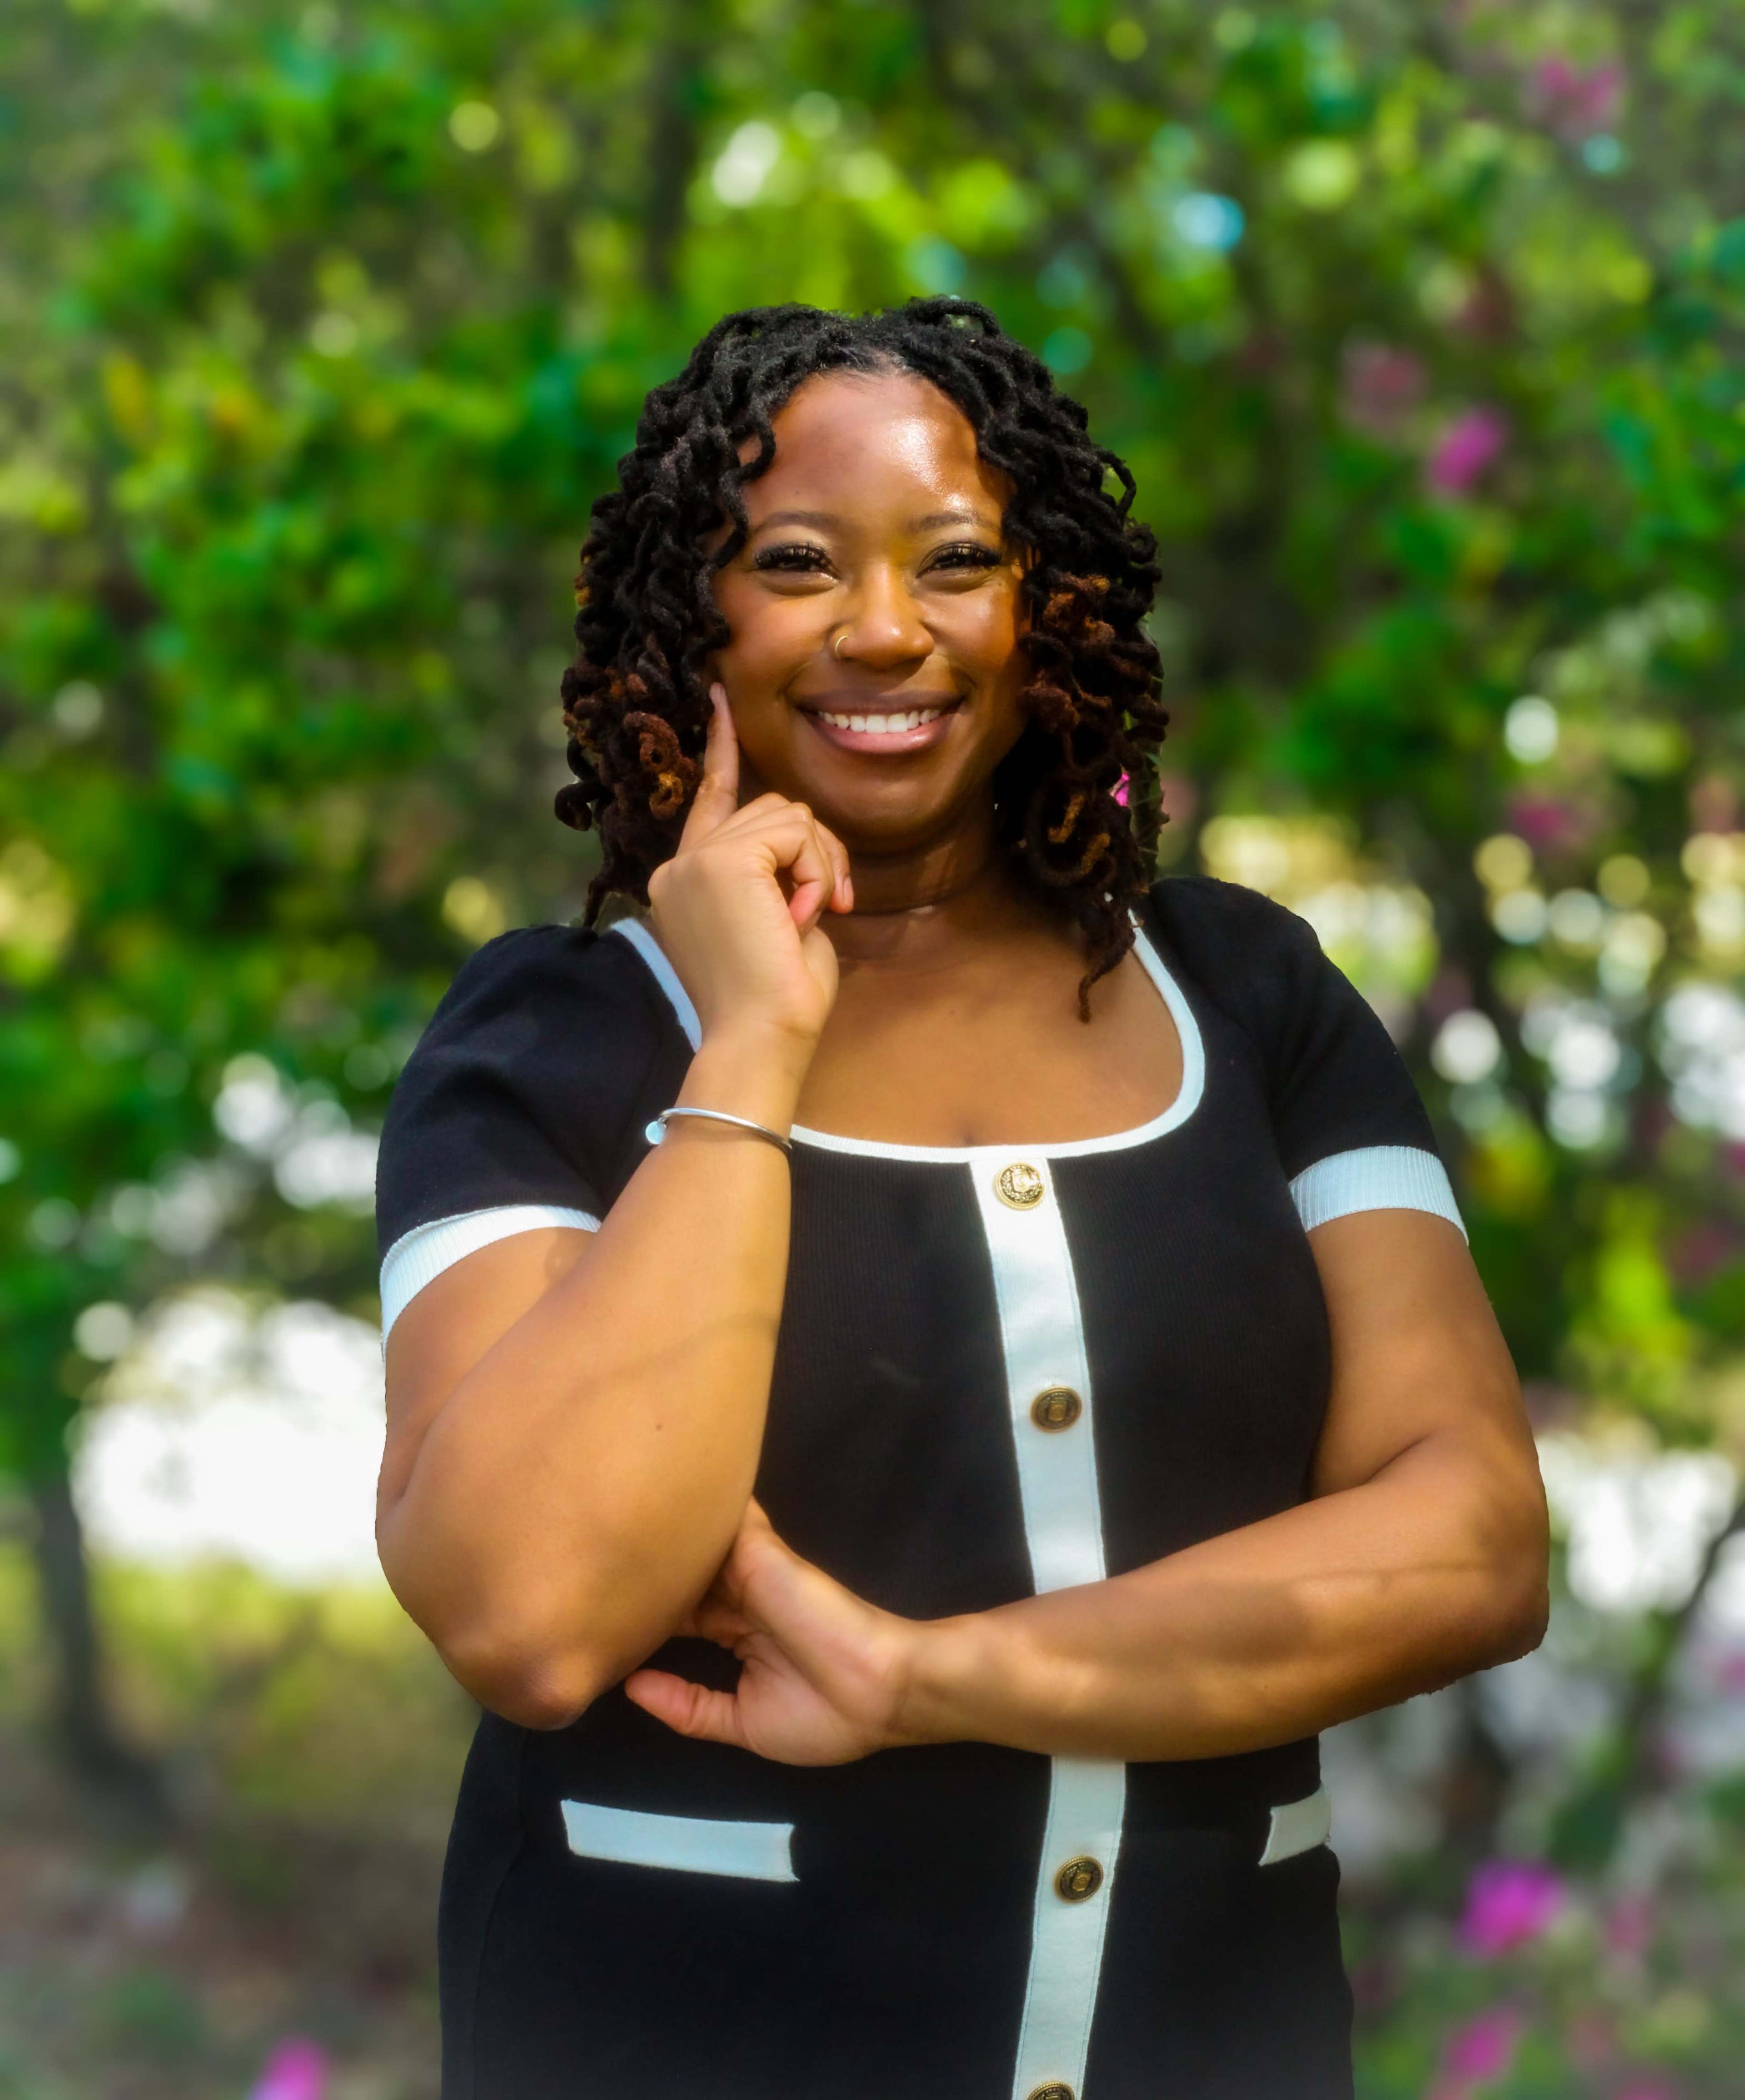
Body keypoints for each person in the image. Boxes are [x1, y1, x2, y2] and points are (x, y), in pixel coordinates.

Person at [372, 299, 1549, 2100]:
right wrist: (753, 1047)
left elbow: (1465, 1540)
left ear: (1047, 609)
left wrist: (926, 1676)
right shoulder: (562, 1039)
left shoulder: (1246, 1001)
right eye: (795, 564)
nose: (883, 628)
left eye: (957, 561)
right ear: (686, 621)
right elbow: (532, 1608)